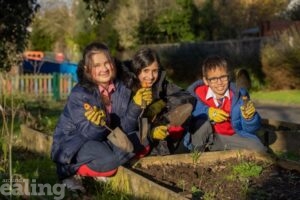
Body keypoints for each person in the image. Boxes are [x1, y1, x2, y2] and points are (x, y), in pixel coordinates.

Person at [50, 42, 152, 192]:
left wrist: (136, 106)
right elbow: (88, 134)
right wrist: (97, 124)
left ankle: (102, 166)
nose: (104, 69)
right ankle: (69, 171)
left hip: (108, 139)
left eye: (107, 63)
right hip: (76, 142)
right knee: (109, 160)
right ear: (87, 70)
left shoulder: (122, 87)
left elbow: (125, 127)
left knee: (144, 138)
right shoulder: (80, 94)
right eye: (97, 65)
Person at [185, 55, 266, 152]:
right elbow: (188, 112)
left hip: (231, 137)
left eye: (223, 77)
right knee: (201, 123)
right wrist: (208, 112)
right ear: (206, 81)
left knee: (259, 148)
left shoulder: (239, 95)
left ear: (228, 76)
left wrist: (250, 118)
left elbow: (251, 129)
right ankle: (196, 157)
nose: (219, 82)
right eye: (213, 79)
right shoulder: (197, 94)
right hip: (209, 138)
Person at [123, 47, 196, 155]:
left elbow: (188, 98)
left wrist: (161, 105)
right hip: (133, 141)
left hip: (160, 135)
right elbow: (126, 124)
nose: (151, 77)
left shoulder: (160, 83)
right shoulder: (125, 88)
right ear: (137, 70)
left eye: (155, 71)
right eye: (146, 71)